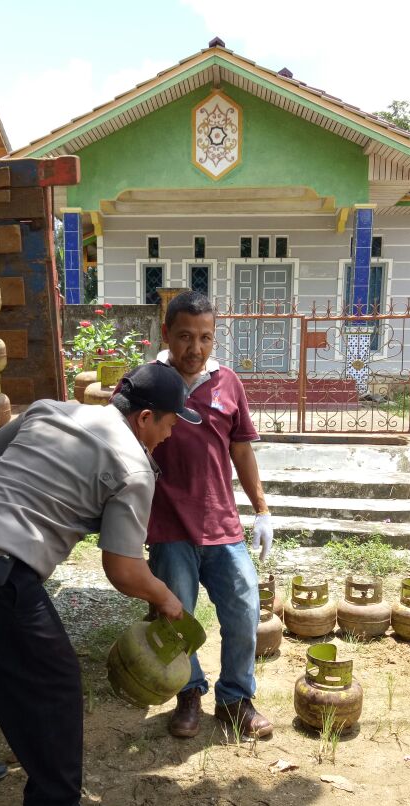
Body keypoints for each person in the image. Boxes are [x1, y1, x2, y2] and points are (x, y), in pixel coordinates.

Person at [0, 364, 200, 806]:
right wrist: (166, 598)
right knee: (55, 681)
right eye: (171, 425)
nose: (170, 435)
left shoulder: (48, 410)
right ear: (145, 418)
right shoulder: (133, 468)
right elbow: (122, 568)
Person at [147, 290, 275, 740]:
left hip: (222, 524)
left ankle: (236, 699)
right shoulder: (146, 381)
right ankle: (188, 693)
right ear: (166, 334)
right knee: (175, 616)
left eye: (205, 338)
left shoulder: (228, 383)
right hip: (166, 526)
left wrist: (261, 509)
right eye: (184, 336)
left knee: (243, 608)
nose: (195, 349)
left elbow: (241, 449)